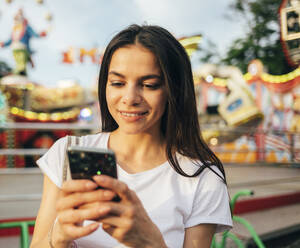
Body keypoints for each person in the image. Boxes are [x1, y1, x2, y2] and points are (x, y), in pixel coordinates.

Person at [31, 24, 232, 248]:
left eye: (149, 85)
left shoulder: (203, 177)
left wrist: (150, 242)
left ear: (173, 90)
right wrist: (58, 237)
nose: (130, 98)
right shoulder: (67, 152)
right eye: (117, 83)